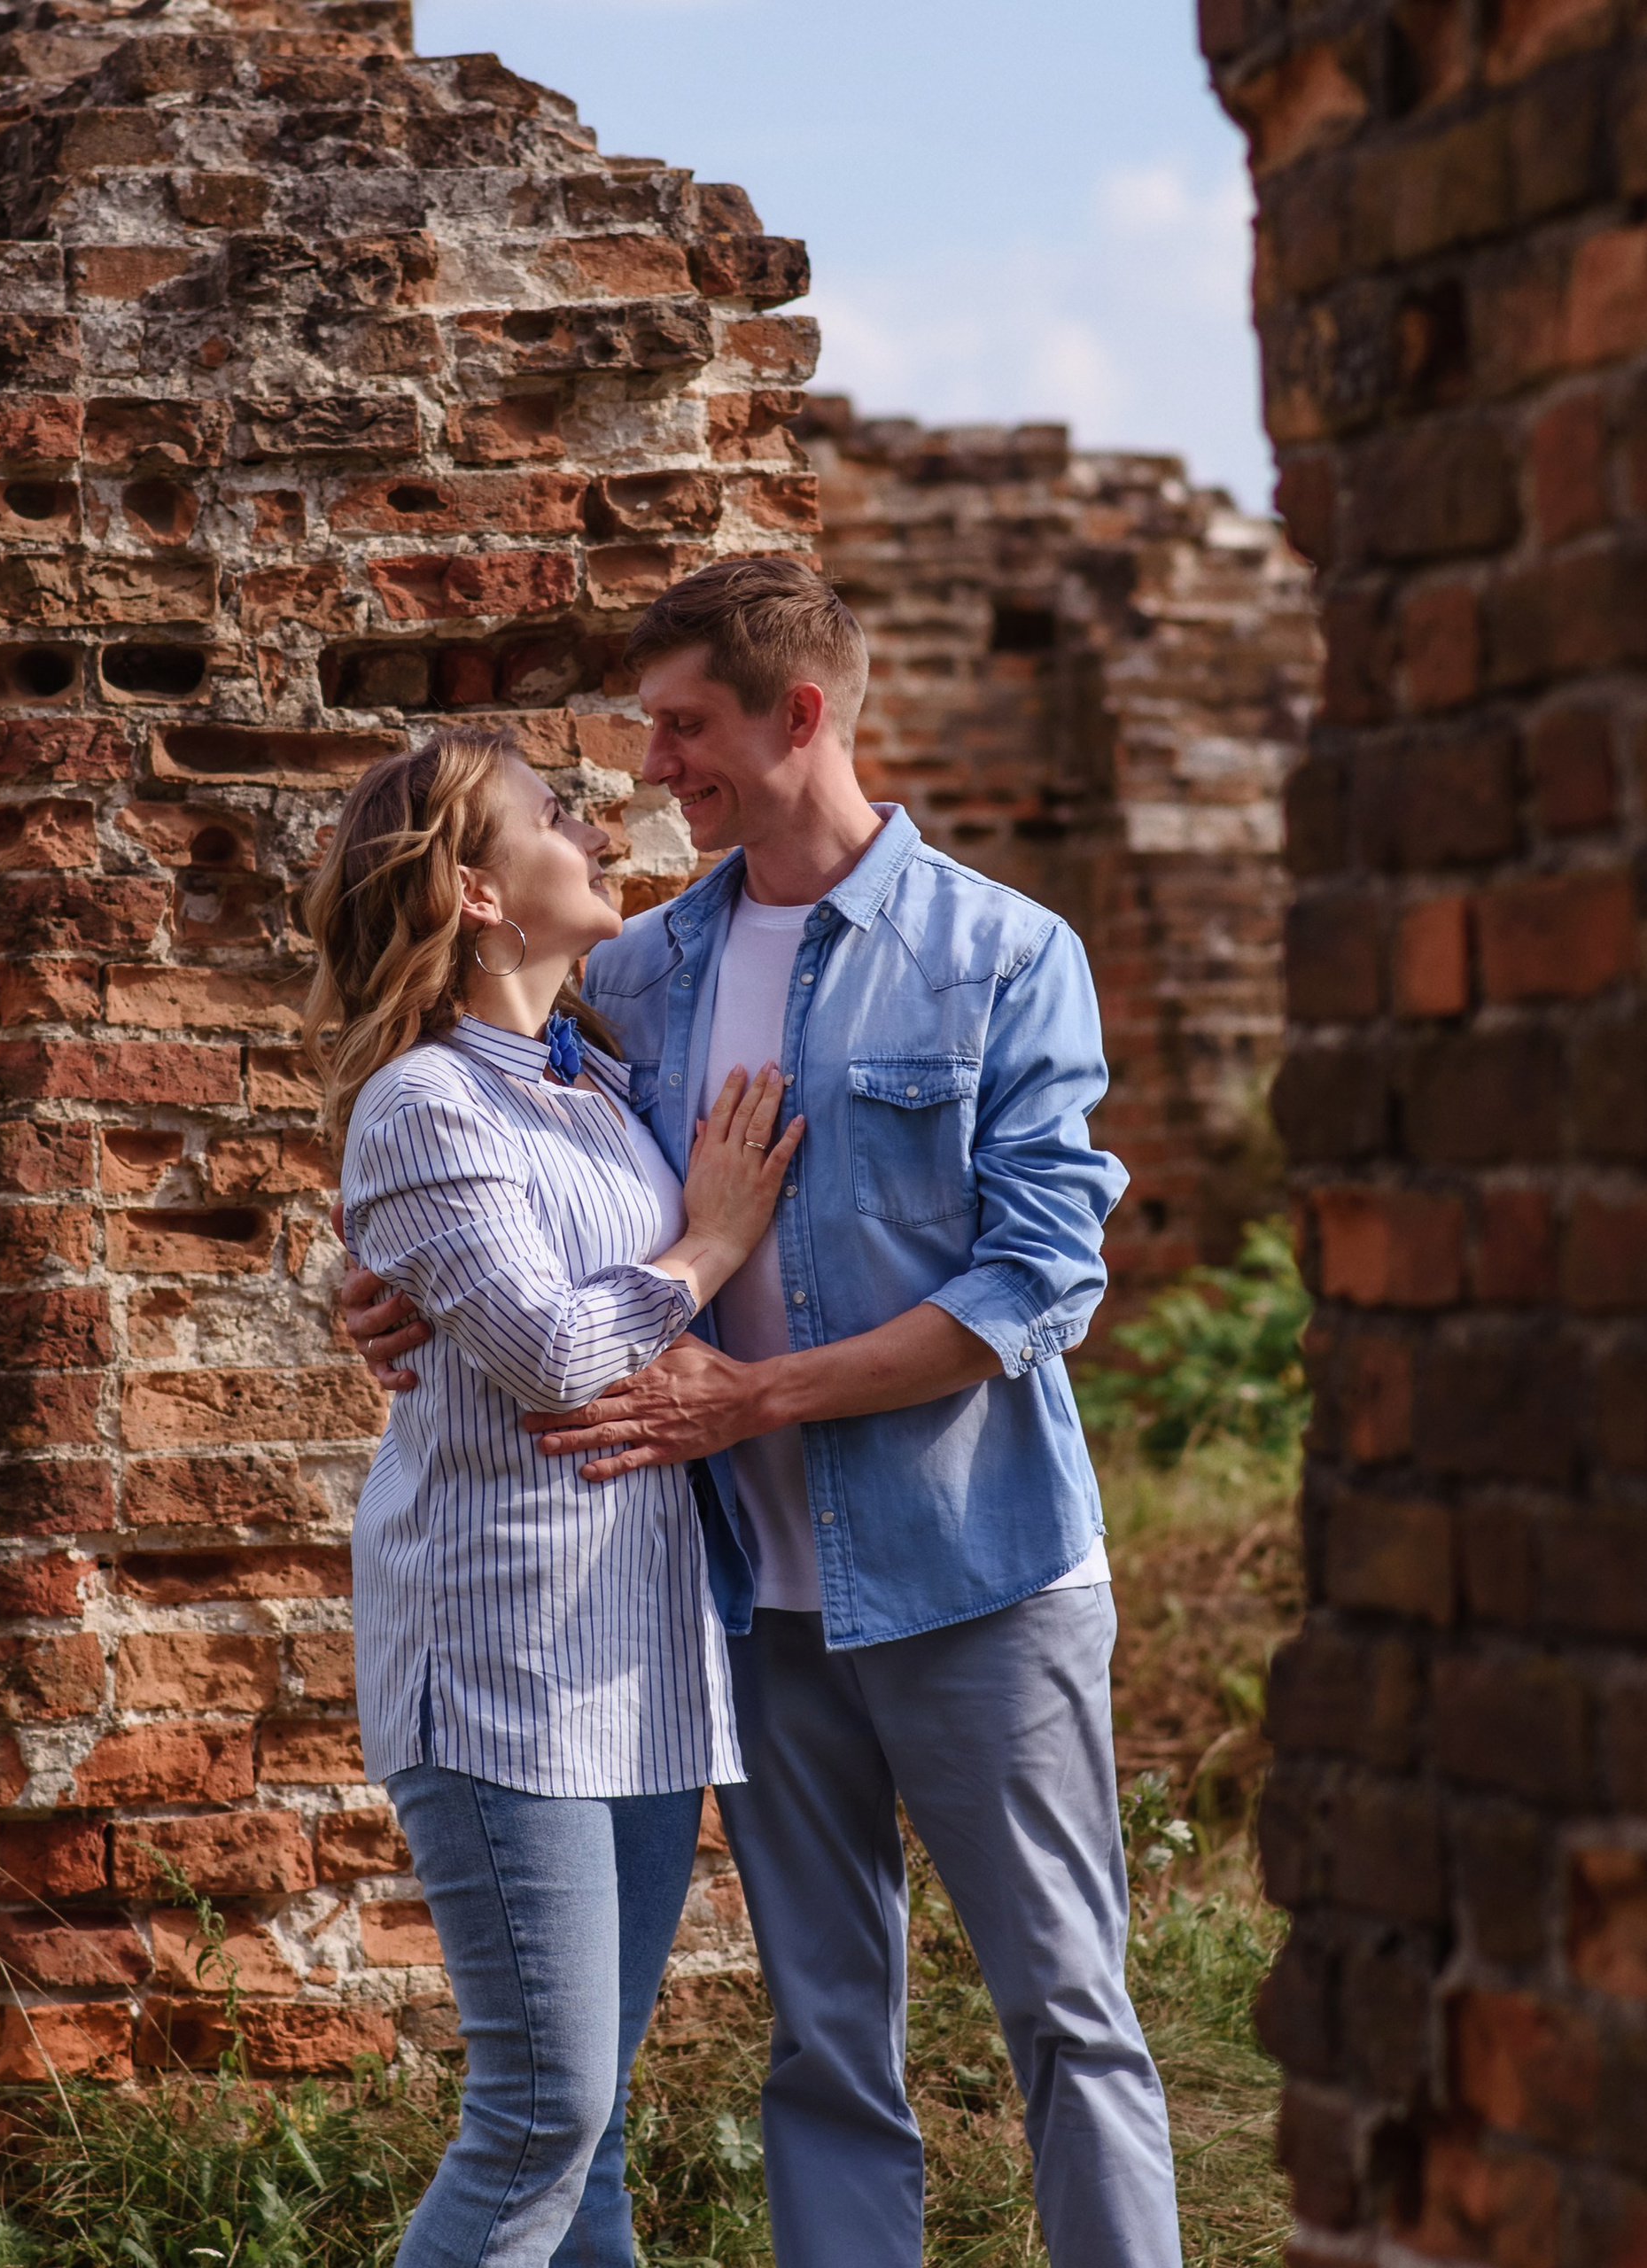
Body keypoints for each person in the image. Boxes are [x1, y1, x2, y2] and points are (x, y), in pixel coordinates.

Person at [340, 561, 1184, 2267]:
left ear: (799, 717)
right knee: (825, 2050)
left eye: (685, 727)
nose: (656, 769)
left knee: (1070, 2024)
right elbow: (501, 1172)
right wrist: (372, 1279)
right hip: (755, 1614)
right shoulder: (639, 978)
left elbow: (1041, 1287)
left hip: (982, 1579)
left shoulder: (1007, 955)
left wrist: (756, 1395)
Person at [306, 724, 804, 2268]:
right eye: (548, 813)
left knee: (585, 2132)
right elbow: (551, 1353)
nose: (592, 822)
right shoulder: (424, 1102)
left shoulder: (592, 1085)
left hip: (646, 1655)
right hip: (502, 1657)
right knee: (537, 2112)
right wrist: (708, 1246)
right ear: (474, 892)